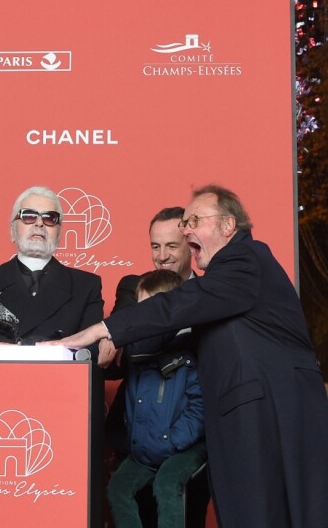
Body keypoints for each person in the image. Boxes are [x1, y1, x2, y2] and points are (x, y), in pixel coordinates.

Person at [46, 185, 328, 528]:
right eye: (184, 222)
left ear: (227, 226)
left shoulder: (244, 259)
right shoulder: (225, 282)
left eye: (195, 220)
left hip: (271, 412)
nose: (186, 229)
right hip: (251, 416)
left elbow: (174, 305)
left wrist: (100, 329)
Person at [107, 270, 205, 528]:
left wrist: (172, 441)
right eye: (141, 309)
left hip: (182, 446)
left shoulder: (189, 351)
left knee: (167, 483)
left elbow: (199, 408)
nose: (145, 318)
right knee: (118, 487)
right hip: (145, 448)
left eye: (153, 309)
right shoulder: (133, 352)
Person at [0, 186, 103, 344]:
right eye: (29, 216)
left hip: (59, 369)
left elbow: (89, 357)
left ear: (59, 233)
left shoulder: (86, 286)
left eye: (49, 218)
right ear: (12, 230)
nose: (39, 223)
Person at [112, 207, 194, 314]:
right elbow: (120, 327)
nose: (162, 256)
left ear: (192, 246)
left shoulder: (207, 290)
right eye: (156, 247)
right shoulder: (133, 286)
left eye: (172, 246)